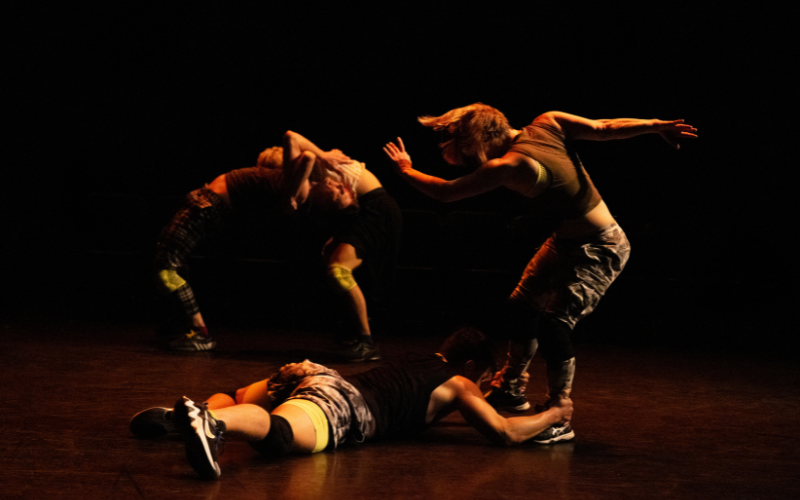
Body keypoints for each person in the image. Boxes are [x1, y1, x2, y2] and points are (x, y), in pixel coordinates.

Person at [383, 103, 697, 436]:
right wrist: (654, 124)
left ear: (477, 140)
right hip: (563, 243)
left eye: (465, 150)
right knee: (521, 307)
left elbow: (445, 192)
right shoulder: (548, 122)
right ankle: (511, 389)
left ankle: (559, 414)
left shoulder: (510, 164)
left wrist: (404, 169)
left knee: (553, 325)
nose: (469, 159)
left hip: (601, 247)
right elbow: (604, 127)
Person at [129, 328, 573, 479]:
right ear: (471, 366)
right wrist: (554, 412)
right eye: (481, 377)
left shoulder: (418, 360)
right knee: (278, 436)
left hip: (317, 374)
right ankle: (211, 424)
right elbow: (504, 432)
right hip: (344, 404)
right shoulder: (459, 384)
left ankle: (196, 414)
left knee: (237, 396)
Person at [154, 139, 354, 351]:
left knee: (166, 269)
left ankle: (199, 332)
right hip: (207, 206)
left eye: (339, 191)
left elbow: (306, 153)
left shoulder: (299, 192)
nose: (337, 184)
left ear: (326, 201)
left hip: (205, 207)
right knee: (175, 265)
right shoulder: (295, 183)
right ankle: (182, 325)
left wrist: (323, 155)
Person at [282, 131, 402, 362]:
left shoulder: (298, 176)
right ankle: (353, 333)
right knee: (338, 264)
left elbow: (292, 138)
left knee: (338, 270)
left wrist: (323, 155)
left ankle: (366, 342)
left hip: (376, 208)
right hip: (365, 210)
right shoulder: (306, 175)